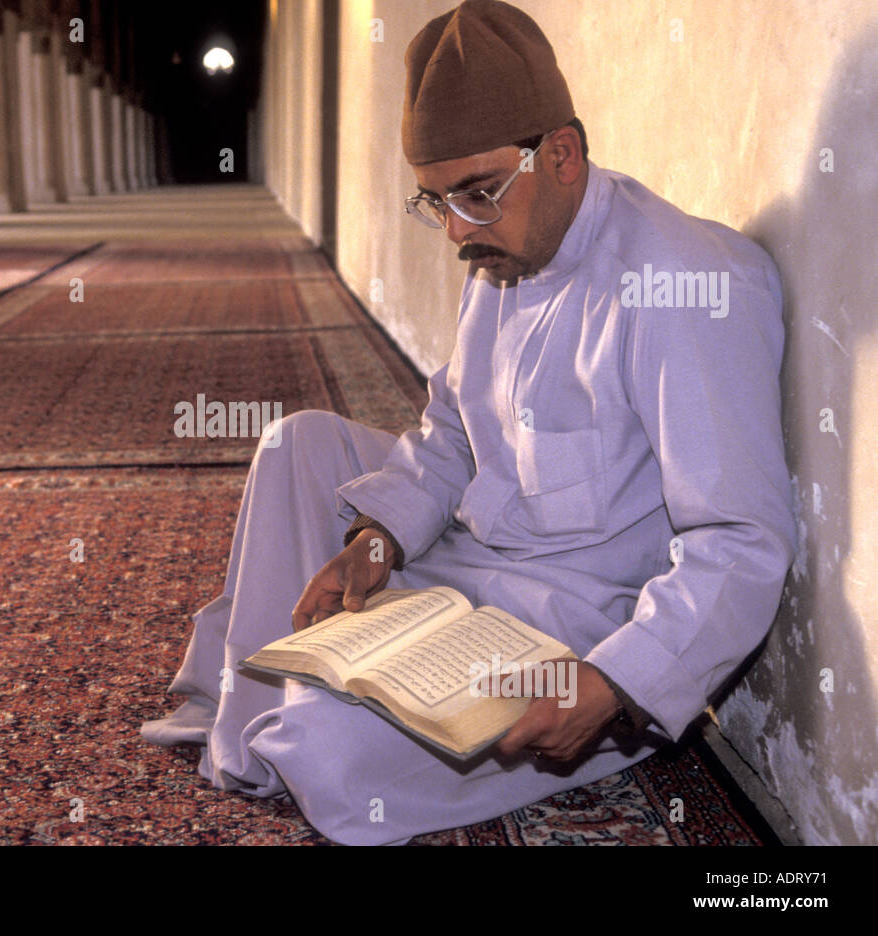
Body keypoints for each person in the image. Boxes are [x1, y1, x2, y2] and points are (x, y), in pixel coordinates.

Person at [141, 0, 796, 845]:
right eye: (436, 200)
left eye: (476, 193)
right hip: (467, 566)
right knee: (296, 441)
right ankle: (278, 693)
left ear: (561, 153)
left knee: (328, 756)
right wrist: (378, 542)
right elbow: (452, 431)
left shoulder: (682, 285)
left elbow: (742, 540)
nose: (455, 229)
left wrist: (613, 685)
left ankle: (284, 708)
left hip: (575, 629)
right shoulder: (505, 252)